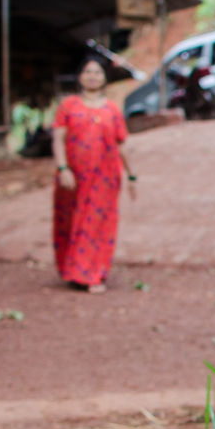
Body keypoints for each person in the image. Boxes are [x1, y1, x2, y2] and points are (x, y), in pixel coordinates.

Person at [50, 55, 136, 294]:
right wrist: (62, 168)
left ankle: (92, 274)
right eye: (88, 72)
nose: (92, 76)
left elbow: (122, 145)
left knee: (98, 224)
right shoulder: (68, 106)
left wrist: (132, 176)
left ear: (104, 78)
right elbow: (58, 139)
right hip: (73, 177)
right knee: (72, 222)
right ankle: (74, 270)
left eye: (97, 72)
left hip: (105, 179)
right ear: (80, 77)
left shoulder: (112, 110)